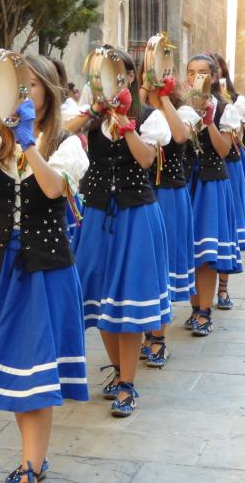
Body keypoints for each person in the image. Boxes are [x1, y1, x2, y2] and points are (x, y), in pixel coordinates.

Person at [0, 55, 89, 482]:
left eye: (31, 86)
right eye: (16, 85)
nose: (22, 93)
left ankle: (31, 466)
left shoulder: (65, 143)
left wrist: (28, 142)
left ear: (48, 91)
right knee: (11, 366)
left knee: (33, 369)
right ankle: (34, 460)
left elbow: (53, 188)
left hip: (44, 268)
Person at [69, 48, 170, 416]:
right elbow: (58, 135)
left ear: (129, 76)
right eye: (102, 73)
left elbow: (146, 159)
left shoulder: (149, 116)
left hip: (135, 214)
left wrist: (125, 121)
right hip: (97, 212)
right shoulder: (90, 115)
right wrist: (95, 110)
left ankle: (128, 384)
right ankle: (116, 368)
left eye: (116, 72)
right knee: (99, 297)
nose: (109, 79)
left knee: (129, 300)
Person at [138, 72, 196, 368]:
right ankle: (146, 333)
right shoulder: (138, 109)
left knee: (163, 264)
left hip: (170, 194)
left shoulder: (182, 111)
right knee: (143, 265)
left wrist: (162, 98)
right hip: (141, 194)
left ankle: (158, 338)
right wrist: (143, 92)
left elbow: (180, 136)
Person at [185, 54, 242, 335]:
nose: (196, 77)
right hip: (183, 182)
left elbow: (223, 150)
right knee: (188, 249)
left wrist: (208, 121)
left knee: (206, 252)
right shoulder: (179, 107)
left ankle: (205, 311)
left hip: (211, 183)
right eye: (191, 72)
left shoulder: (224, 108)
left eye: (202, 72)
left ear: (213, 76)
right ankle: (195, 307)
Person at [213, 53, 245, 311]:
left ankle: (223, 288)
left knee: (225, 227)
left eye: (211, 69)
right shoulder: (185, 104)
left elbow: (236, 140)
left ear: (220, 72)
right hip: (198, 171)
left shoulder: (234, 101)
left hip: (228, 166)